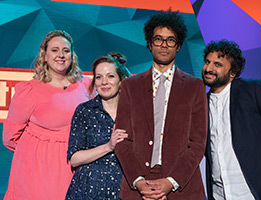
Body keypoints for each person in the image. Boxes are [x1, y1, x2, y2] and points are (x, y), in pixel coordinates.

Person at [115, 10, 208, 200]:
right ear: (150, 44)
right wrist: (139, 182)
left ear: (179, 45)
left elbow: (198, 142)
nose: (164, 45)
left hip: (182, 187)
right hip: (137, 186)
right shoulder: (130, 86)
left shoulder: (194, 86)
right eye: (158, 39)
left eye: (170, 40)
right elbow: (121, 139)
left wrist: (171, 182)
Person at [202, 39, 261, 200]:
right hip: (220, 194)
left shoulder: (254, 90)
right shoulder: (200, 104)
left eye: (217, 64)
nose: (209, 68)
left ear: (233, 73)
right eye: (207, 62)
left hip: (257, 193)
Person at [2, 30, 93, 200]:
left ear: (72, 55)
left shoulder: (86, 85)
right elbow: (10, 136)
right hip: (37, 169)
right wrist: (36, 150)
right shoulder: (29, 91)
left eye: (66, 50)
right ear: (44, 56)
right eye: (55, 50)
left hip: (75, 164)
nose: (61, 55)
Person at [65, 52, 130, 199]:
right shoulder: (84, 111)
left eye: (111, 76)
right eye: (99, 77)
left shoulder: (134, 112)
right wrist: (108, 146)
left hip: (124, 190)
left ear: (121, 80)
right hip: (88, 189)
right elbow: (74, 158)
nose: (104, 82)